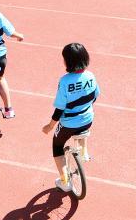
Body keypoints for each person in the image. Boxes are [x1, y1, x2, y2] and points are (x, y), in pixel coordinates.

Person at [41, 43, 99, 191]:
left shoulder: (65, 81)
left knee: (57, 145)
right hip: (88, 120)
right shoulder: (91, 76)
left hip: (68, 124)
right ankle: (84, 151)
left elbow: (59, 109)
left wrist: (50, 126)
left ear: (67, 61)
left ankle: (65, 180)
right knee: (83, 121)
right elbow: (95, 96)